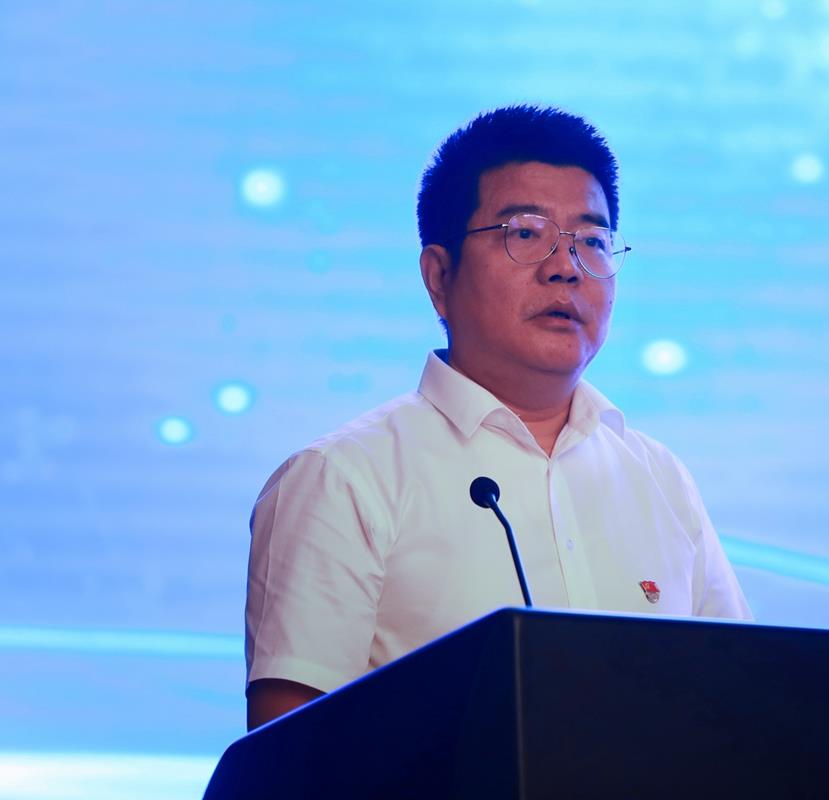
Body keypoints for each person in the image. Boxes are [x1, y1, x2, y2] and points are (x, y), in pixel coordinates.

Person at [244, 105, 752, 730]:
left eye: (592, 241)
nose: (566, 266)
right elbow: (290, 758)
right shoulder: (342, 480)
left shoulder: (660, 479)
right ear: (439, 275)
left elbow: (741, 710)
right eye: (526, 234)